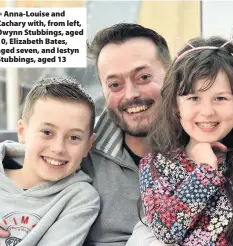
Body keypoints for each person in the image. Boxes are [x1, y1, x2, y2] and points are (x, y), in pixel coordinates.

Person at [139, 36, 233, 245]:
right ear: (176, 105)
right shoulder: (155, 165)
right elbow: (165, 230)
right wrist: (205, 173)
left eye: (220, 98)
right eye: (194, 98)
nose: (208, 112)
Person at [81, 23, 171, 245]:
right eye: (115, 84)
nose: (131, 95)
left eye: (143, 77)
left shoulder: (208, 145)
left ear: (171, 75)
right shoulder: (80, 151)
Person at [0, 77, 100, 246]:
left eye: (73, 137)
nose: (58, 148)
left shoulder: (79, 199)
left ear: (88, 145)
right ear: (22, 132)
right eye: (47, 132)